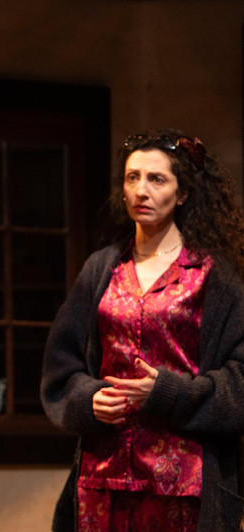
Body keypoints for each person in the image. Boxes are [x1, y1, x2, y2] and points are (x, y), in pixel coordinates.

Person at [41, 130, 244, 531]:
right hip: (104, 479)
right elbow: (60, 370)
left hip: (185, 486)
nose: (141, 190)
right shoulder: (103, 269)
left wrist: (169, 393)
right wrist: (90, 398)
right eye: (132, 178)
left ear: (183, 193)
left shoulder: (213, 276)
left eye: (157, 179)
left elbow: (241, 382)